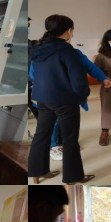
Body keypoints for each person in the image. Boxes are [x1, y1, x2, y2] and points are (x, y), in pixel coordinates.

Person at [28, 15, 94, 185]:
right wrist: (83, 94)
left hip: (42, 99)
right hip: (65, 100)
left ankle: (37, 172)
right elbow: (79, 81)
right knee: (70, 139)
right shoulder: (67, 51)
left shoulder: (38, 49)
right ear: (69, 31)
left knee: (41, 135)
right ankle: (73, 177)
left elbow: (35, 75)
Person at [30, 43, 111, 161]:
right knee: (54, 121)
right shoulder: (43, 54)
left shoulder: (74, 53)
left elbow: (90, 67)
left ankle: (65, 144)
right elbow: (33, 73)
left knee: (66, 122)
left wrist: (103, 78)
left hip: (64, 95)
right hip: (51, 95)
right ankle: (54, 146)